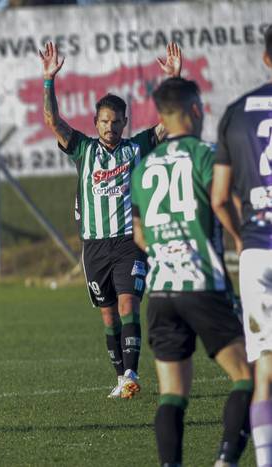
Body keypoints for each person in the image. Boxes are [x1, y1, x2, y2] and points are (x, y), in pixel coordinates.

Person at [39, 41, 182, 398]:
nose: (110, 128)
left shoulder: (135, 148)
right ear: (96, 123)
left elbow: (169, 124)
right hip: (93, 246)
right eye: (105, 122)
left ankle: (132, 372)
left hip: (128, 241)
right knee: (108, 316)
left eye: (116, 122)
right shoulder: (83, 150)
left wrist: (174, 80)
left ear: (124, 124)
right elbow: (52, 121)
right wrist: (48, 81)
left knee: (128, 302)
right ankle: (121, 377)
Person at [131, 77, 252, 467]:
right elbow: (223, 201)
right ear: (196, 110)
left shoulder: (143, 165)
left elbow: (137, 232)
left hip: (161, 292)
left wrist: (166, 249)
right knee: (249, 376)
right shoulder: (206, 154)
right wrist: (241, 238)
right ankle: (226, 459)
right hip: (201, 284)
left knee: (172, 395)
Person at [212, 24, 272, 467]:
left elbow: (219, 197)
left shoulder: (235, 112)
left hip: (256, 252)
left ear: (265, 59)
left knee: (264, 367)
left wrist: (240, 237)